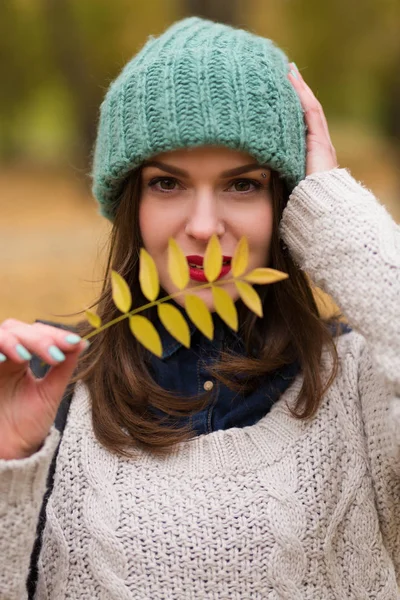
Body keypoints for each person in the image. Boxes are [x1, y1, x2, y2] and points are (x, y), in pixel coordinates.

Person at [0, 15, 399, 599]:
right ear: (131, 201)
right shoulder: (49, 390)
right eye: (168, 183)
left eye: (243, 185)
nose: (206, 227)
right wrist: (10, 462)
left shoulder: (362, 381)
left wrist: (339, 214)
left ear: (289, 201)